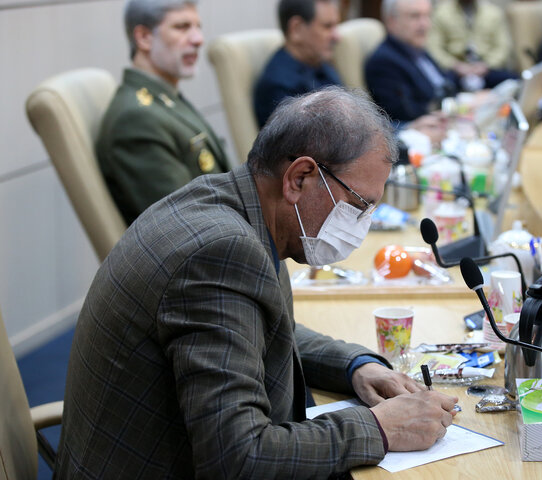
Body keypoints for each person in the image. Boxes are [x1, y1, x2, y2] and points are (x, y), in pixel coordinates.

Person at [55, 87, 458, 479]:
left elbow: (263, 328)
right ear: (299, 178)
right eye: (359, 205)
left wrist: (356, 366)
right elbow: (237, 457)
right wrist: (380, 428)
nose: (363, 223)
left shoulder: (232, 206)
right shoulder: (221, 253)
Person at [97, 0, 230, 225]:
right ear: (144, 37)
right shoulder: (137, 120)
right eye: (182, 27)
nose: (198, 39)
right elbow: (187, 224)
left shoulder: (164, 97)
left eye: (198, 27)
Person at [365, 0, 514, 124]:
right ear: (392, 21)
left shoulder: (416, 50)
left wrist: (472, 96)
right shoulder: (384, 62)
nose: (425, 24)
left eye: (427, 16)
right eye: (415, 16)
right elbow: (411, 115)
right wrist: (465, 104)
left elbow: (443, 83)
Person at [254, 0, 342, 128]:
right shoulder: (279, 86)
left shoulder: (319, 63)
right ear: (296, 29)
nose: (337, 37)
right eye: (327, 26)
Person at [427, 0, 513, 78]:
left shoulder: (493, 13)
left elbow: (503, 46)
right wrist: (454, 65)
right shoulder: (441, 13)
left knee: (512, 81)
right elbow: (434, 47)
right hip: (455, 70)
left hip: (486, 69)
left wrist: (486, 65)